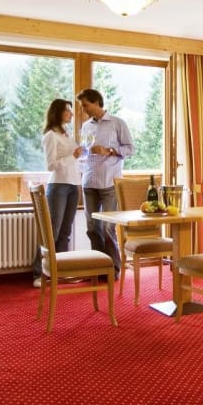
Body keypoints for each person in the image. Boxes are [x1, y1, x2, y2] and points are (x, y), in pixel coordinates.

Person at [75, 87, 133, 275]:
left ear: (96, 102)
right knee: (93, 228)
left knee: (108, 228)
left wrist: (110, 151)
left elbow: (131, 149)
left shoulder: (117, 123)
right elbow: (85, 151)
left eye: (85, 105)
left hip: (109, 182)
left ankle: (113, 269)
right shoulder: (86, 126)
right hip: (89, 182)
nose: (83, 109)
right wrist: (81, 152)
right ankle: (98, 269)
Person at [32, 98, 81, 287]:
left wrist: (79, 155)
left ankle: (60, 272)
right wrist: (72, 156)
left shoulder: (67, 134)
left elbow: (72, 160)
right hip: (59, 186)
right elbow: (51, 165)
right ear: (58, 112)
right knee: (51, 232)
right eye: (68, 110)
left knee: (65, 232)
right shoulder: (50, 136)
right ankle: (39, 274)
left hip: (73, 185)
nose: (71, 113)